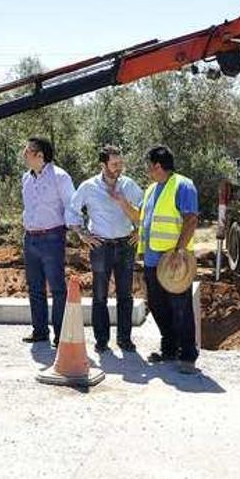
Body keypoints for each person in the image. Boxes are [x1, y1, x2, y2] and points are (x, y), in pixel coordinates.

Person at [66, 145, 143, 353]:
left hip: (126, 244)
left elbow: (146, 207)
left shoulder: (129, 184)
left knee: (125, 295)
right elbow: (72, 210)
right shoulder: (89, 187)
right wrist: (82, 234)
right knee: (100, 295)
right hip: (100, 246)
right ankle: (101, 341)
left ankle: (124, 339)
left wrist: (140, 230)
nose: (119, 168)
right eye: (114, 164)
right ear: (103, 165)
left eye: (121, 163)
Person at [137, 145, 199, 374]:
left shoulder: (183, 185)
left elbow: (191, 220)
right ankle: (169, 348)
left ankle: (188, 355)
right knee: (156, 304)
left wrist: (178, 252)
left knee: (180, 306)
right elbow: (145, 219)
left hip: (174, 260)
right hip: (153, 260)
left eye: (148, 167)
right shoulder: (152, 189)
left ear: (157, 165)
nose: (147, 171)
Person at [21, 137, 75, 347]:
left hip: (52, 237)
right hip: (30, 237)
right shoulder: (26, 178)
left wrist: (75, 230)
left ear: (40, 155)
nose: (24, 155)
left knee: (57, 288)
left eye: (27, 151)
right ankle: (40, 331)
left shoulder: (60, 177)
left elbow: (71, 205)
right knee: (34, 287)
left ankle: (60, 335)